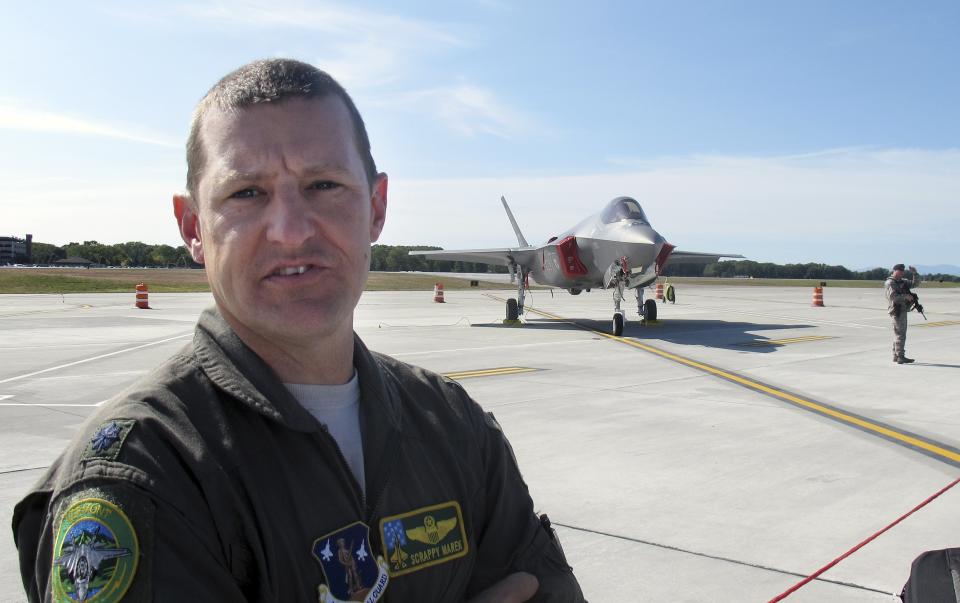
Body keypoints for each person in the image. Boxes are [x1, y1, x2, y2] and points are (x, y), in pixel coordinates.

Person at [13, 59, 585, 602]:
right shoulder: (142, 478)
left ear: (376, 206)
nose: (289, 230)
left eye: (324, 186)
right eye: (246, 193)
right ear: (193, 226)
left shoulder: (453, 425)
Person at [884, 263, 920, 364]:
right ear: (894, 271)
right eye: (899, 271)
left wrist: (915, 274)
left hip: (902, 310)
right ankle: (900, 356)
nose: (901, 273)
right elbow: (893, 297)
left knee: (898, 333)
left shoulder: (902, 281)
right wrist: (905, 297)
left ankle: (896, 355)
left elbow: (915, 284)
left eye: (902, 272)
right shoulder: (890, 283)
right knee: (900, 334)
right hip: (897, 311)